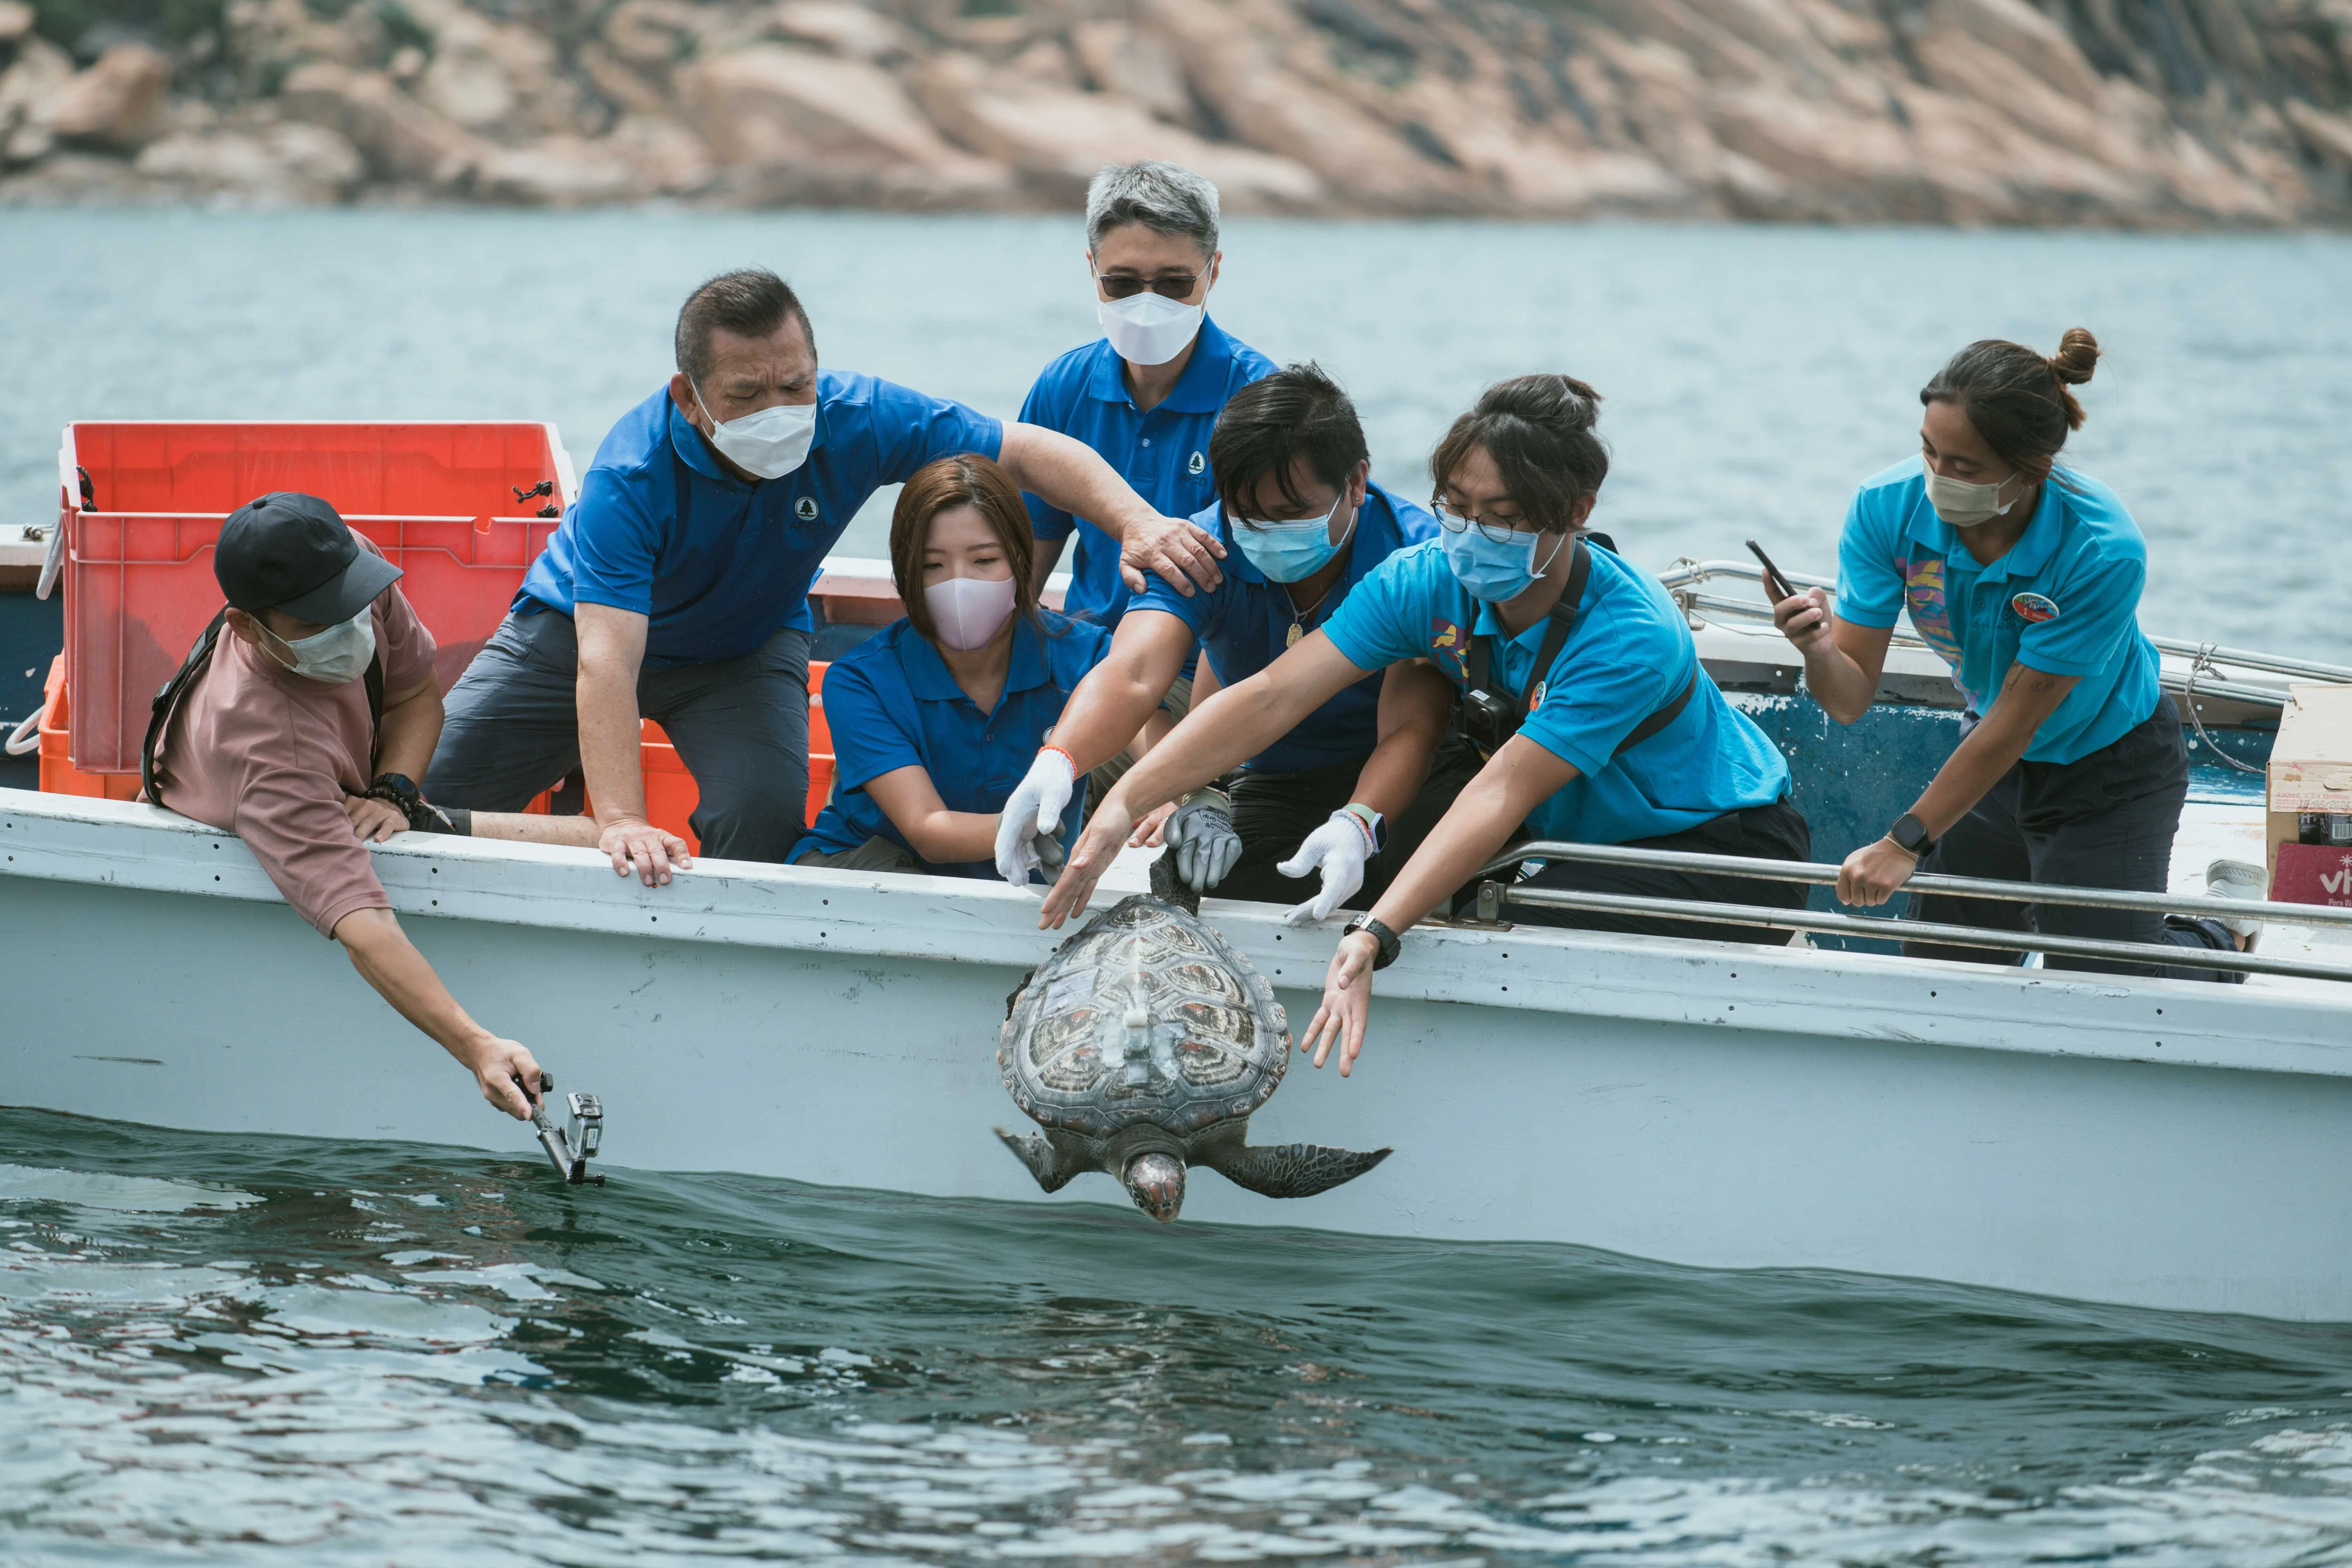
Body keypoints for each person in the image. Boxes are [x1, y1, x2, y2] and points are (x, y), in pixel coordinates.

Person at [1040, 376, 1811, 1077]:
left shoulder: (1628, 635)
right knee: (1284, 886)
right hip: (1566, 835)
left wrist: (1375, 935)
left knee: (1517, 927)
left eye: (1505, 520)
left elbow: (1500, 791)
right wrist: (1121, 803)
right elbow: (1275, 694)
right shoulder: (1427, 577)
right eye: (1457, 509)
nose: (1473, 537)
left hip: (1714, 844)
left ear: (1576, 514)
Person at [425, 267, 1220, 886]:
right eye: (746, 393)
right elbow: (607, 663)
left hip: (743, 647)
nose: (781, 406)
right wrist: (622, 818)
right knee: (415, 796)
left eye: (795, 384)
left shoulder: (858, 417)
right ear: (689, 397)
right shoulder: (634, 473)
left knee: (764, 824)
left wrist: (1137, 523)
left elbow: (1029, 451)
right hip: (578, 636)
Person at [1770, 328, 2241, 978]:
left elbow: (2019, 722)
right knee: (1943, 971)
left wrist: (1903, 841)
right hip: (1989, 758)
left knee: (2109, 977)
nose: (1938, 480)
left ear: (2033, 468)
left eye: (1965, 468)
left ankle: (2221, 935)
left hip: (2108, 766)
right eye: (1929, 453)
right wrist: (1818, 648)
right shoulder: (1885, 508)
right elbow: (1849, 699)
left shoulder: (2100, 549)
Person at [144, 493, 606, 1121]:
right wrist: (478, 1046)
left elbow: (417, 691)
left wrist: (394, 789)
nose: (348, 626)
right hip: (275, 826)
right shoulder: (264, 746)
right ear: (248, 627)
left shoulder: (352, 575)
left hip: (353, 799)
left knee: (601, 842)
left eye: (353, 605)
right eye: (314, 624)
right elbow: (365, 927)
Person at [993, 363, 1472, 922]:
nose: (1266, 532)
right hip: (1275, 776)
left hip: (1413, 770)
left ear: (1357, 482)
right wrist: (1059, 761)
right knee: (1219, 895)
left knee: (1411, 896)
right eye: (1247, 515)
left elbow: (1411, 727)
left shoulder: (1413, 563)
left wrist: (1359, 822)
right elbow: (1132, 672)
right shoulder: (1204, 547)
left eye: (1292, 514)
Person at [1017, 160, 1277, 788]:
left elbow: (1249, 613)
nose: (1147, 304)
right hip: (1083, 659)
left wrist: (1176, 768)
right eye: (1123, 282)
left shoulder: (1259, 403)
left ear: (1214, 271)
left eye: (1174, 283)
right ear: (1091, 271)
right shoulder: (1064, 388)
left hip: (1202, 678)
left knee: (1060, 780)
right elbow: (1020, 564)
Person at [791, 454, 1164, 877]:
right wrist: (1021, 828)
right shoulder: (860, 681)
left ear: (1021, 562)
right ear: (906, 574)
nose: (959, 584)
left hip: (1028, 877)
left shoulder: (1088, 655)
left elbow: (1154, 740)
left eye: (984, 560)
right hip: (869, 871)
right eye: (933, 566)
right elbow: (928, 829)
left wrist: (1183, 798)